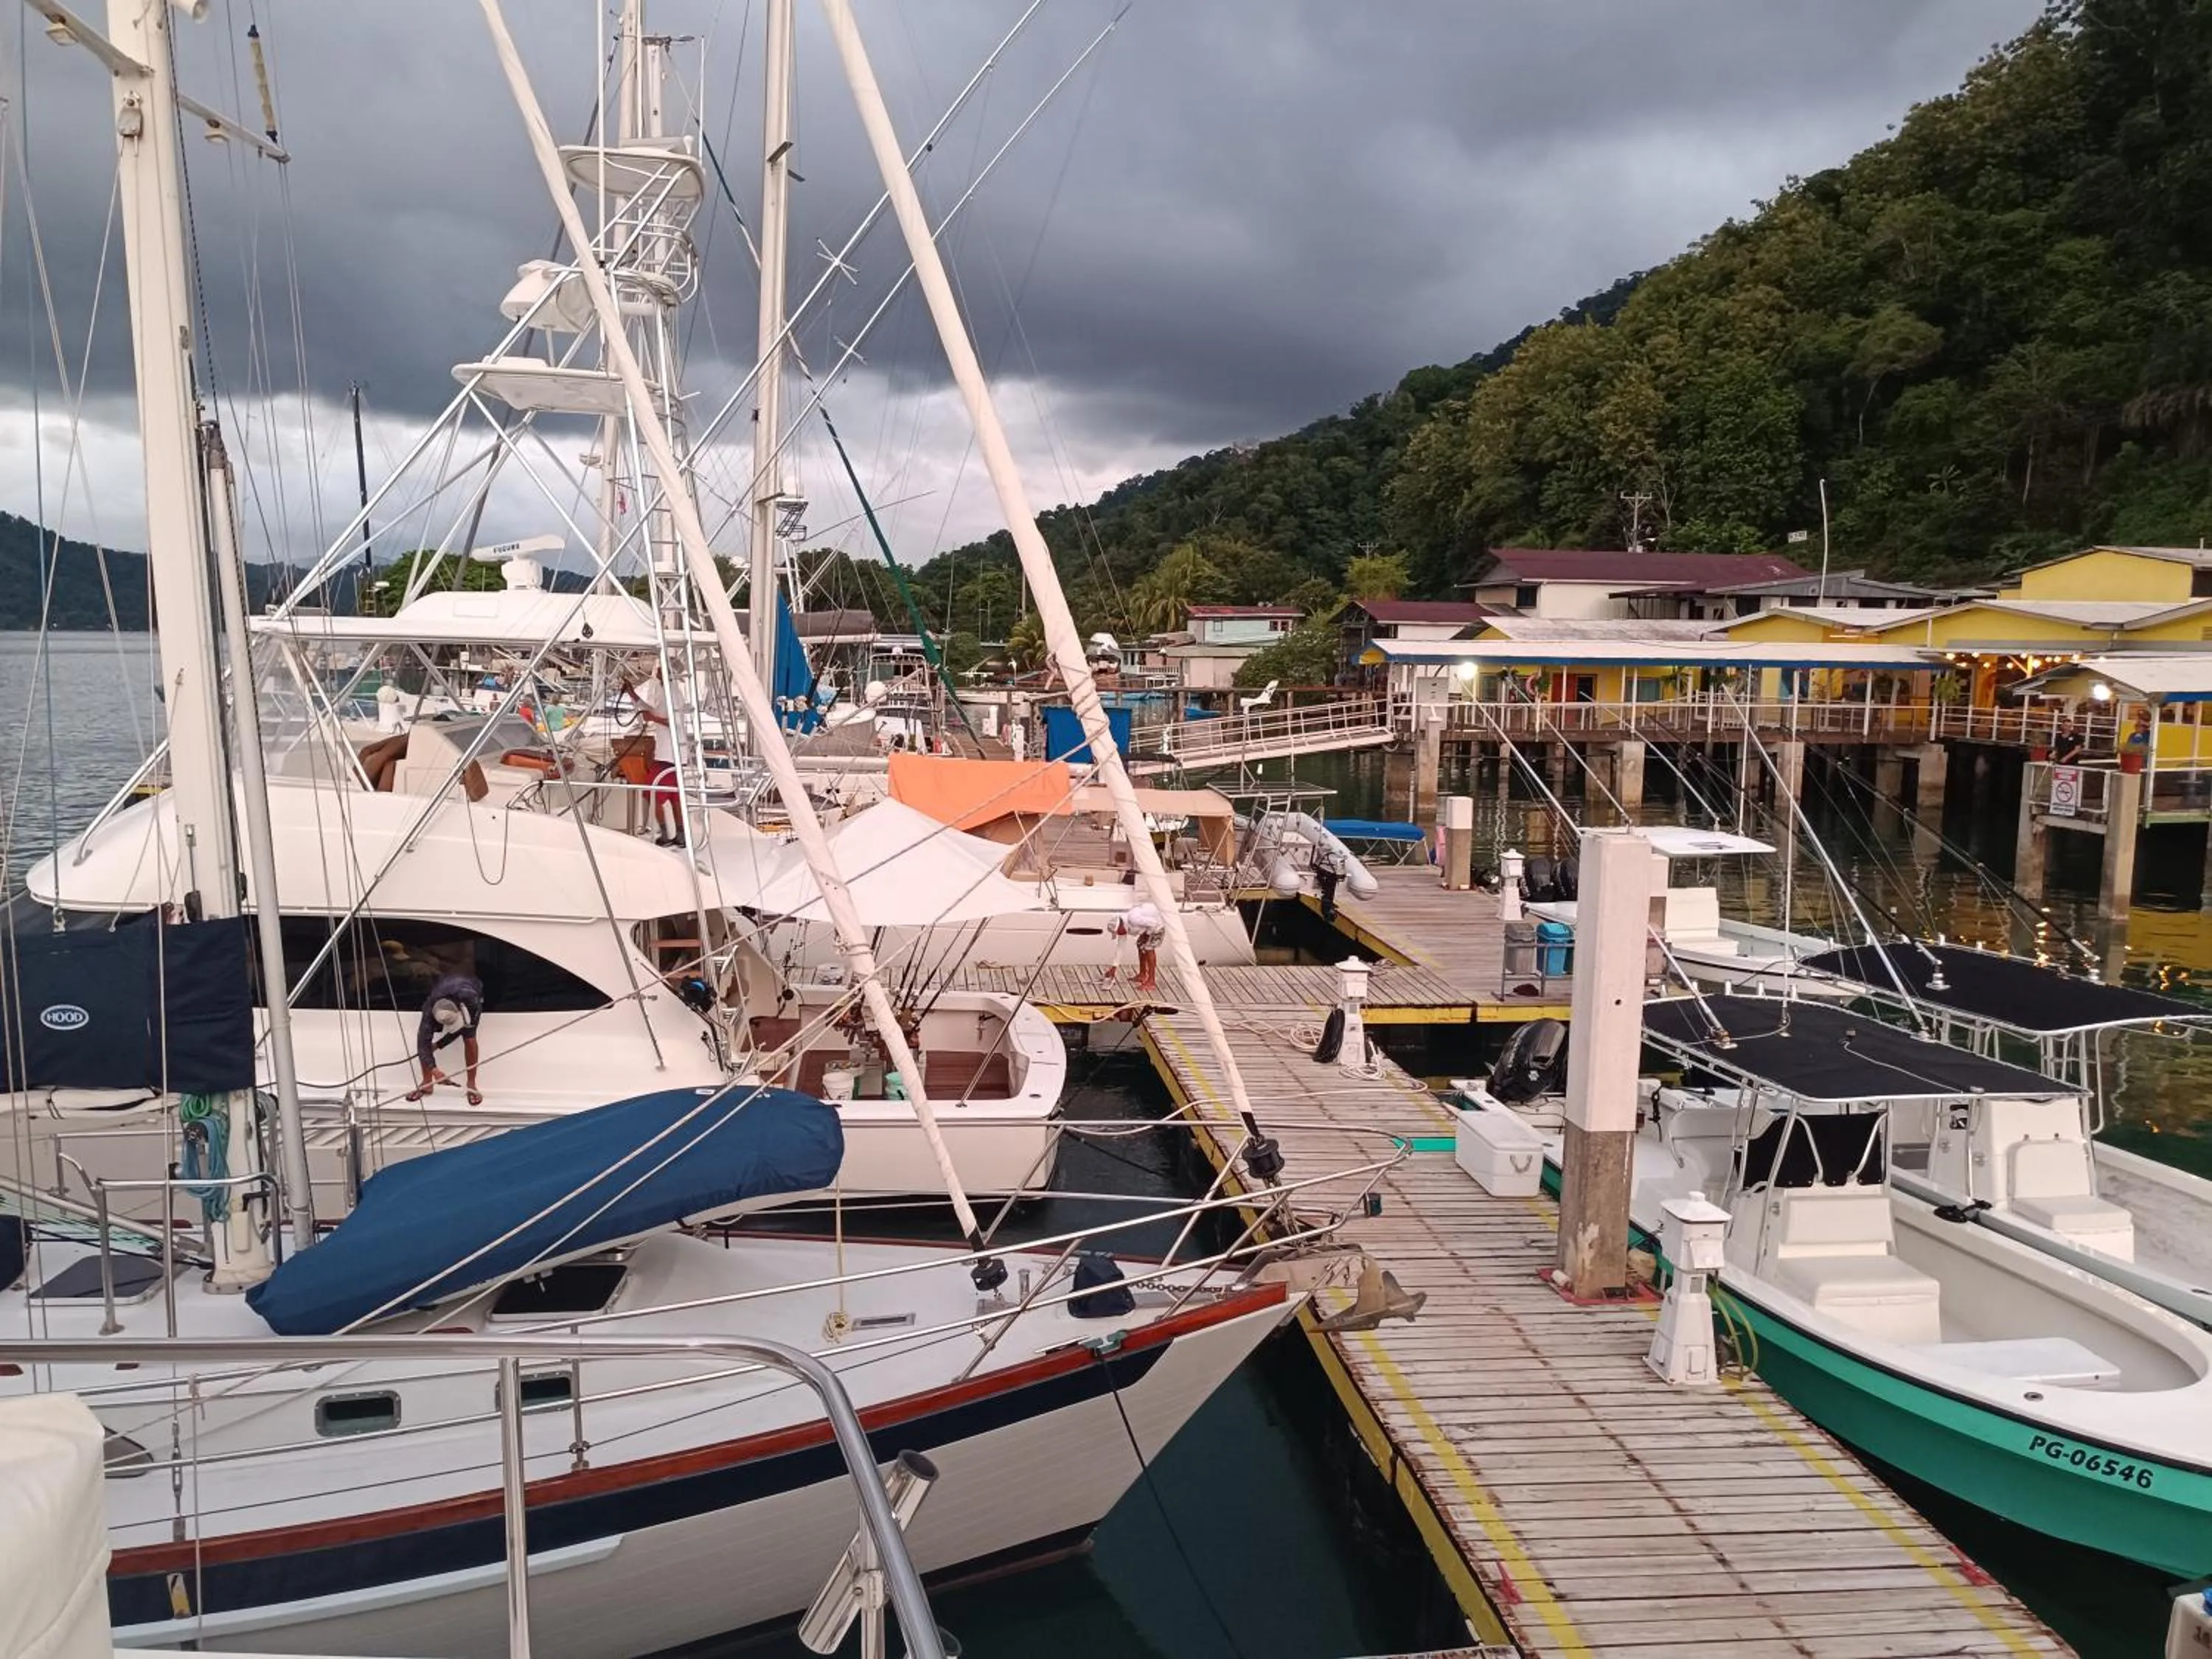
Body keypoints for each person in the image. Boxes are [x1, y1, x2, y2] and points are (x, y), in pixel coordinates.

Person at [617, 665, 683, 844]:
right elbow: (649, 711)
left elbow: (674, 721)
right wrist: (632, 694)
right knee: (672, 795)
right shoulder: (663, 690)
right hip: (667, 754)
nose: (657, 671)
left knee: (652, 791)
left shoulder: (673, 693)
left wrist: (653, 719)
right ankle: (678, 834)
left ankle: (668, 834)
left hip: (669, 755)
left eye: (661, 669)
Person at [406, 971, 483, 1105]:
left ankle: (471, 1084)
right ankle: (427, 1083)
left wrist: (440, 1044)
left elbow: (463, 1028)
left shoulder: (471, 999)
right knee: (426, 1043)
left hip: (470, 986)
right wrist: (434, 1070)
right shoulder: (429, 1011)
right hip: (444, 987)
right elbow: (423, 1043)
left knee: (470, 1038)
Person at [1116, 897, 1166, 996]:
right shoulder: (1125, 919)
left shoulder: (1134, 919)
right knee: (1140, 945)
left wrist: (1147, 936)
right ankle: (1142, 975)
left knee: (1148, 948)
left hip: (1157, 926)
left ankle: (1151, 982)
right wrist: (1114, 966)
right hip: (1150, 926)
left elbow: (1153, 924)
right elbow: (1120, 945)